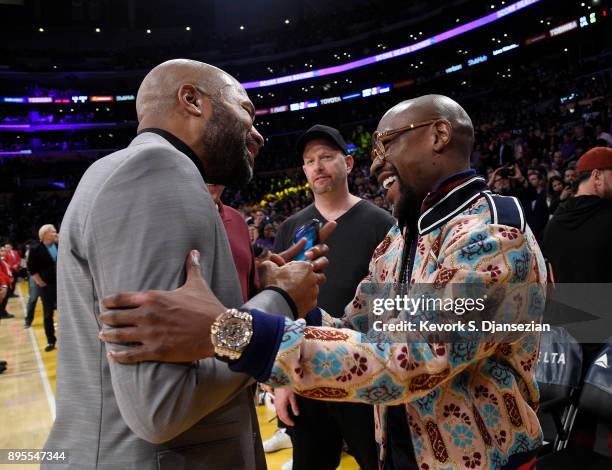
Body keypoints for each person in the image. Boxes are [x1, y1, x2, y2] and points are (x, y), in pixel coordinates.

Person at [99, 95, 547, 470]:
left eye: (386, 143)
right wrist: (295, 299)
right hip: (402, 450)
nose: (376, 164)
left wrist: (232, 331)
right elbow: (357, 328)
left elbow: (412, 358)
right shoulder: (400, 235)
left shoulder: (493, 237)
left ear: (439, 135)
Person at [43, 59, 330, 470]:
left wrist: (249, 291)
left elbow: (188, 335)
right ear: (192, 100)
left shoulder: (114, 171)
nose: (258, 133)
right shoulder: (160, 169)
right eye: (246, 112)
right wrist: (281, 299)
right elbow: (163, 405)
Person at [268, 125, 393, 470]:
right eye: (309, 161)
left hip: (364, 372)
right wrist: (280, 381)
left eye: (326, 157)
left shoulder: (382, 223)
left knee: (377, 462)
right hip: (306, 373)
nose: (317, 166)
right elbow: (280, 307)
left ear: (349, 163)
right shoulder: (290, 229)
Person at [26, 224, 58, 349]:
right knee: (48, 313)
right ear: (44, 234)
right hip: (46, 285)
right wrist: (40, 282)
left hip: (61, 284)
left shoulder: (59, 245)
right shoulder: (36, 249)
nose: (55, 233)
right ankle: (51, 340)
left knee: (66, 311)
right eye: (53, 232)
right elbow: (31, 269)